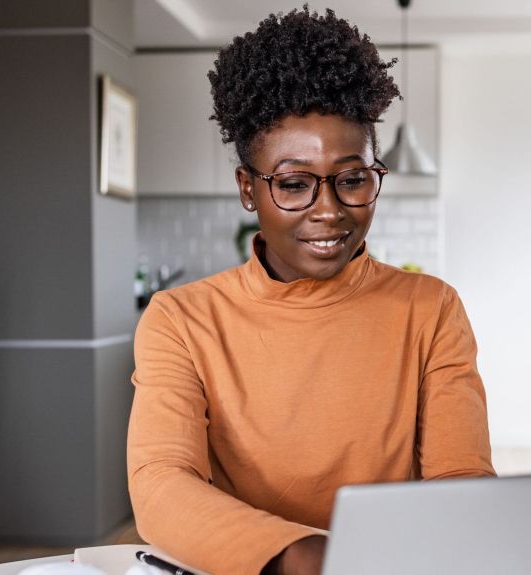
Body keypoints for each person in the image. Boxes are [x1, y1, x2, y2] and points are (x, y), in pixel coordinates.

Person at [127, 7, 495, 575]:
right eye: (294, 184)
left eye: (351, 180)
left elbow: (460, 483)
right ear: (248, 189)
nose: (329, 211)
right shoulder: (182, 319)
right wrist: (304, 555)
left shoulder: (430, 310)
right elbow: (161, 484)